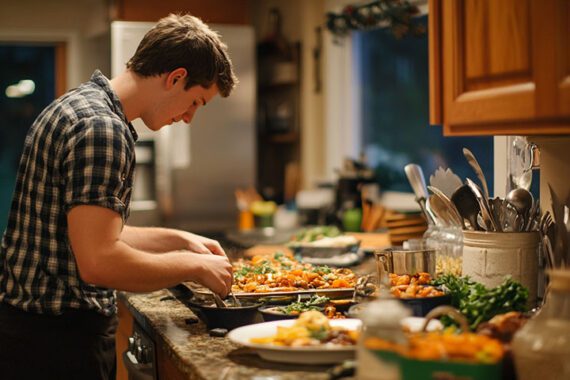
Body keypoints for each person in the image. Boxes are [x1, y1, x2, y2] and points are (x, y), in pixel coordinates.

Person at [0, 13, 237, 380]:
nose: (189, 117)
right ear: (176, 78)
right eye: (195, 102)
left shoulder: (78, 105)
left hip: (30, 331)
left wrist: (179, 240)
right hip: (57, 343)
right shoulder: (103, 129)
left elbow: (91, 232)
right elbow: (99, 260)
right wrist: (195, 266)